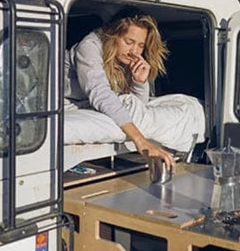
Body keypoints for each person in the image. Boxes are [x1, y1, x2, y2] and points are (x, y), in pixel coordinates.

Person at [64, 13, 177, 168]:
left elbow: (136, 107)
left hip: (86, 104)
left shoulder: (125, 58)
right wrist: (140, 141)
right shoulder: (89, 46)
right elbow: (100, 93)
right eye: (129, 41)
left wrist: (139, 82)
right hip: (63, 102)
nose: (134, 51)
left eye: (140, 45)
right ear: (112, 35)